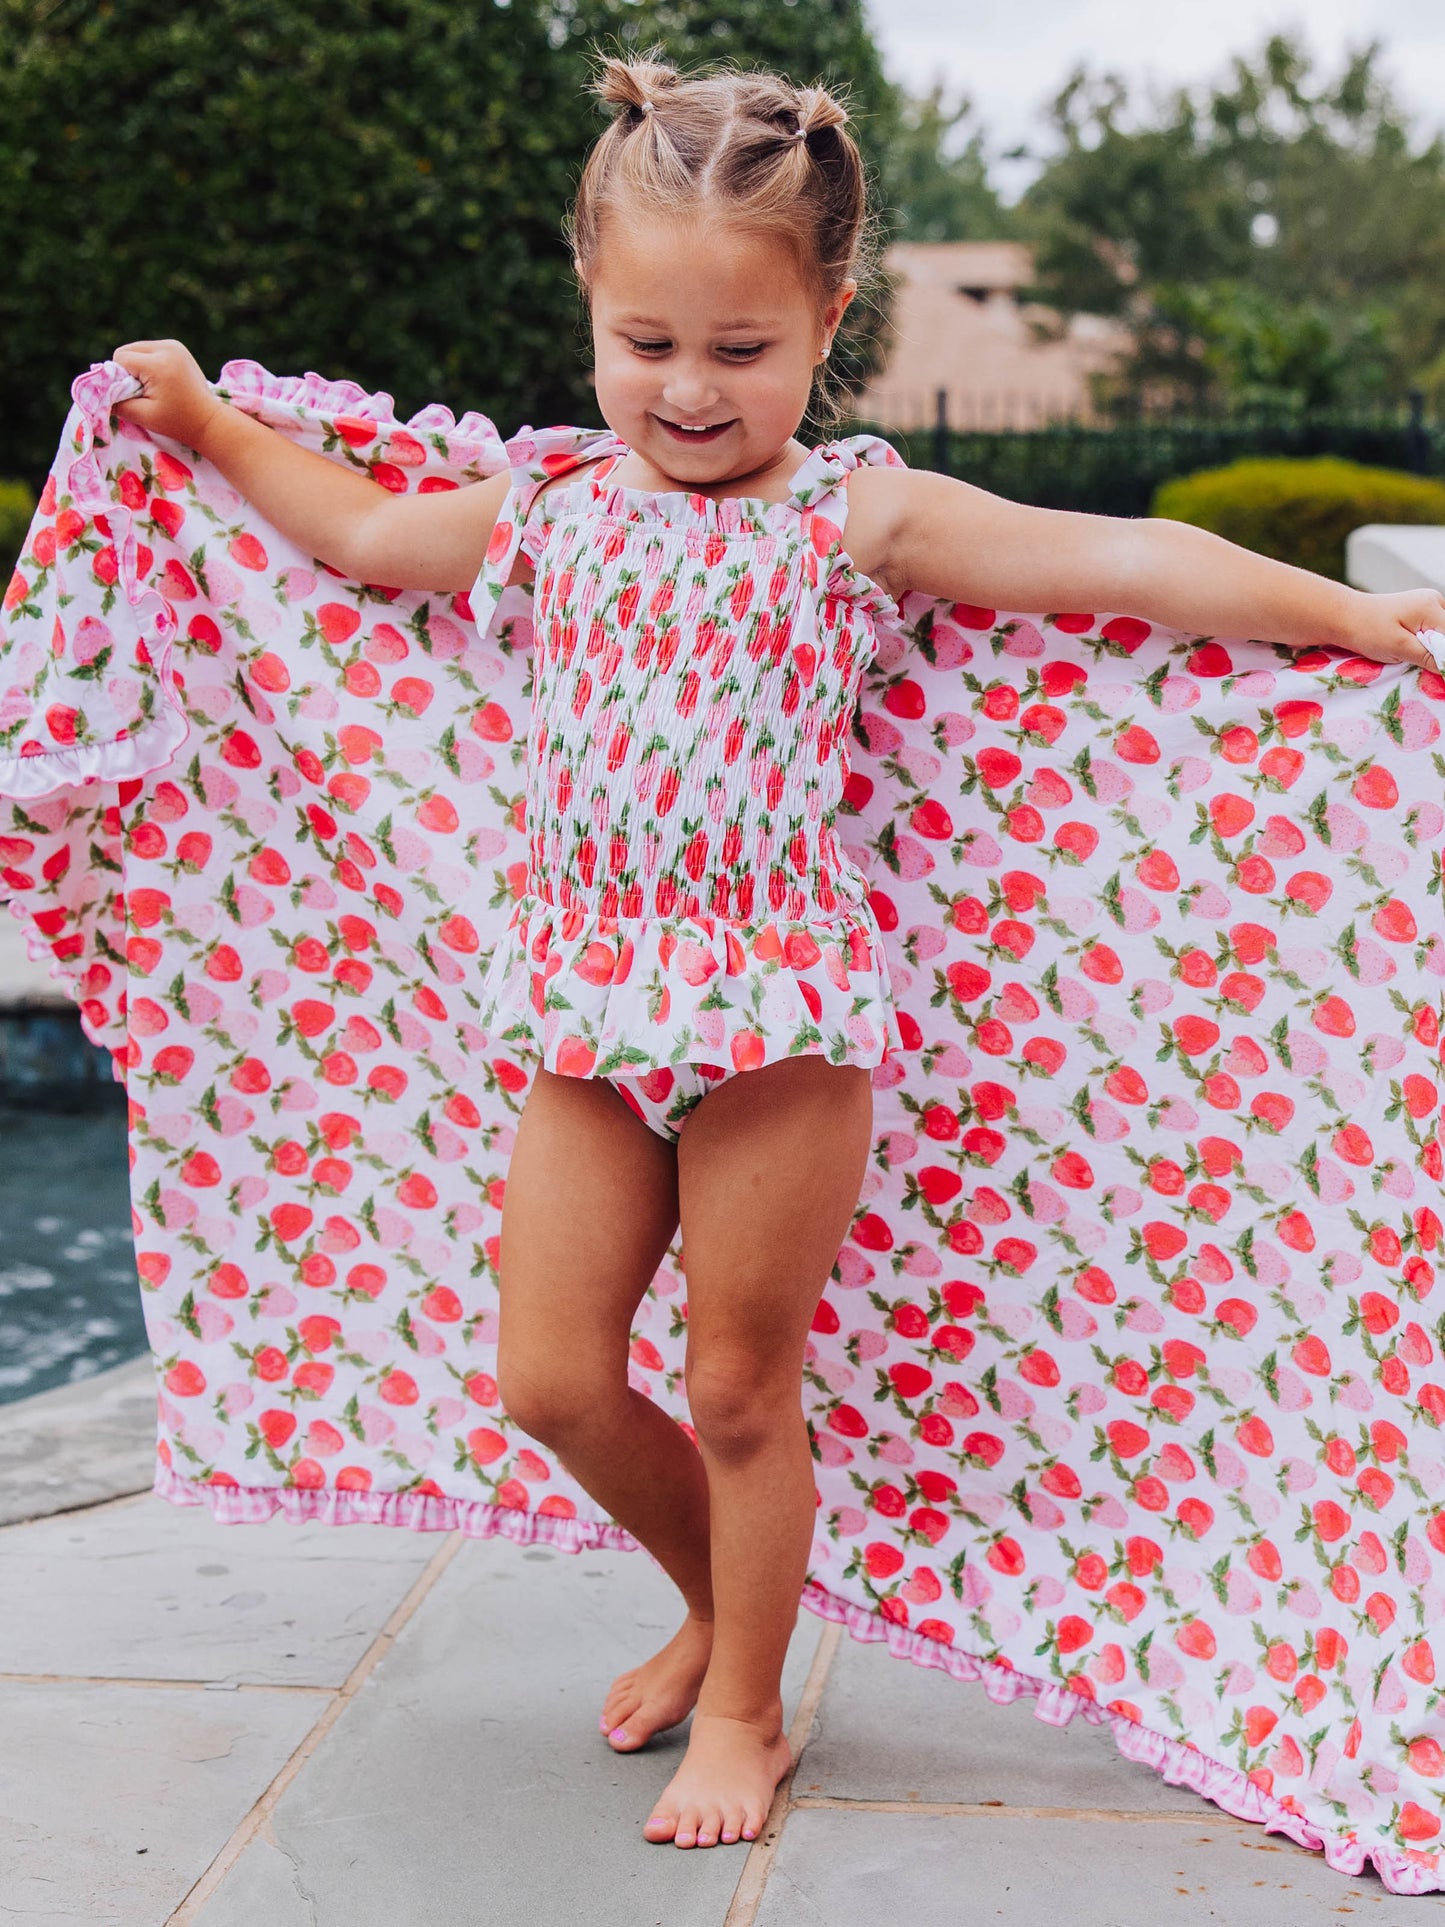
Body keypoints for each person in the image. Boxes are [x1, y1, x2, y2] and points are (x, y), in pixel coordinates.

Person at [108, 54, 1445, 1855]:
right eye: (647, 342)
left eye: (740, 350)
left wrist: (1349, 612)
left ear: (827, 314)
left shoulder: (854, 520)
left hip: (779, 1020)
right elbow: (353, 530)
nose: (688, 389)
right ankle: (726, 1602)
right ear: (590, 297)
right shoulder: (549, 513)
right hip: (587, 1012)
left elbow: (1121, 560)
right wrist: (200, 425)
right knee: (553, 1378)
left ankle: (744, 1704)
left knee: (739, 1384)